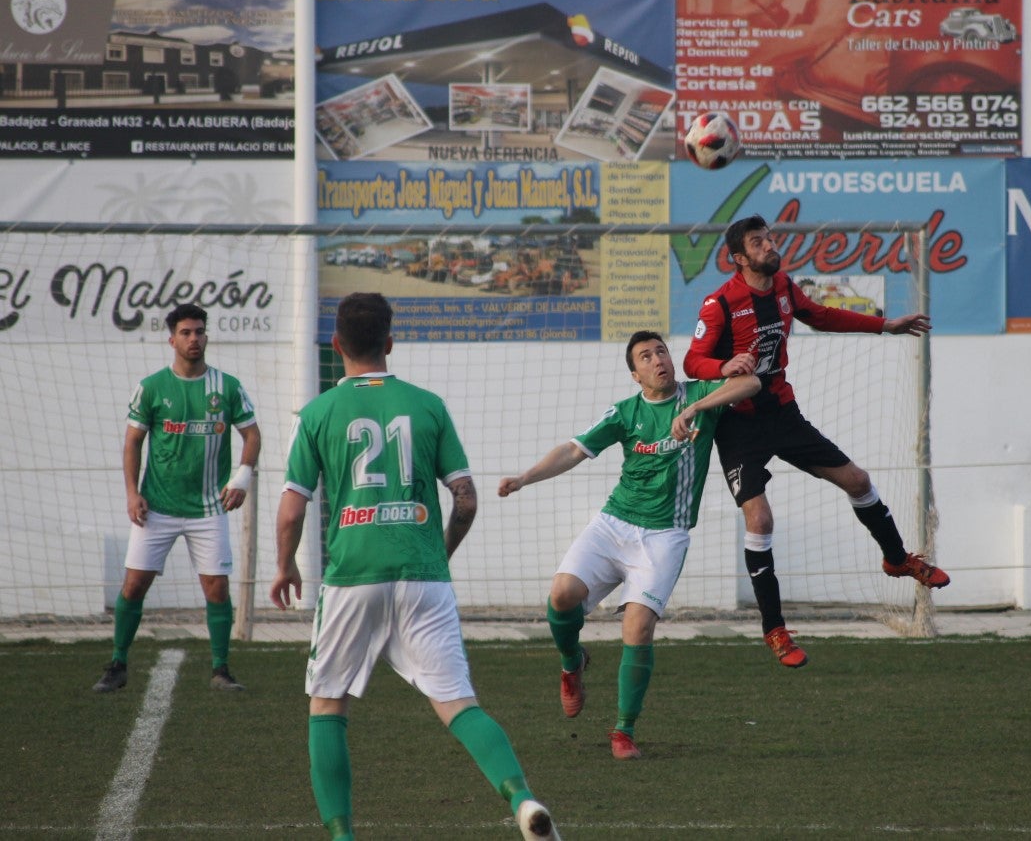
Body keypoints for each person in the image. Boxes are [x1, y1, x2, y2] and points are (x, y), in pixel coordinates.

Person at [270, 292, 559, 841]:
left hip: (353, 575)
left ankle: (342, 836)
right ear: (390, 343)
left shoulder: (316, 413)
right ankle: (521, 800)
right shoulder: (428, 405)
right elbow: (468, 498)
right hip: (424, 576)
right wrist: (438, 552)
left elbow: (291, 509)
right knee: (458, 704)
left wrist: (285, 565)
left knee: (327, 703)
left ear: (336, 347)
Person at [683, 214, 948, 669]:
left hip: (782, 412)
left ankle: (897, 559)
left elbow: (821, 316)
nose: (769, 245)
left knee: (858, 480)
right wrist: (722, 367)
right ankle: (775, 630)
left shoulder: (784, 286)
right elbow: (692, 361)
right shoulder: (720, 303)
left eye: (769, 238)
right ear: (739, 258)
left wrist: (885, 325)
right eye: (758, 242)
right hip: (737, 423)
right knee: (761, 521)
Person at [498, 331, 760, 760]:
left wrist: (695, 407)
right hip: (614, 523)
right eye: (645, 356)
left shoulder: (698, 394)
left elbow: (750, 384)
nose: (658, 359)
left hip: (664, 535)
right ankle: (571, 663)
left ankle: (623, 730)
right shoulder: (624, 413)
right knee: (561, 595)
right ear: (635, 374)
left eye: (661, 351)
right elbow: (573, 450)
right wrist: (525, 478)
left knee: (637, 626)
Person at [93, 303, 261, 693]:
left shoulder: (227, 387)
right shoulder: (151, 387)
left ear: (206, 336)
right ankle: (117, 664)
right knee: (134, 585)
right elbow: (133, 442)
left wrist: (243, 476)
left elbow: (252, 434)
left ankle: (221, 670)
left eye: (199, 331)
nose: (194, 339)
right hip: (157, 507)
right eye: (185, 333)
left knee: (216, 588)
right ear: (172, 339)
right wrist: (132, 493)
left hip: (208, 509)